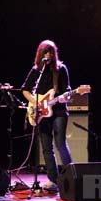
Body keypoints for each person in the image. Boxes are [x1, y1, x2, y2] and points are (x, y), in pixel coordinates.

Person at [21, 39, 73, 192]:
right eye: (45, 52)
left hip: (58, 112)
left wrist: (67, 96)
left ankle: (72, 177)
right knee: (46, 148)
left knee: (60, 144)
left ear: (54, 54)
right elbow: (25, 89)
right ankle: (54, 180)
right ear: (40, 54)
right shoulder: (36, 70)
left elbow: (67, 91)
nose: (48, 54)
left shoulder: (61, 69)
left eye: (50, 52)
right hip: (41, 113)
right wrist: (35, 102)